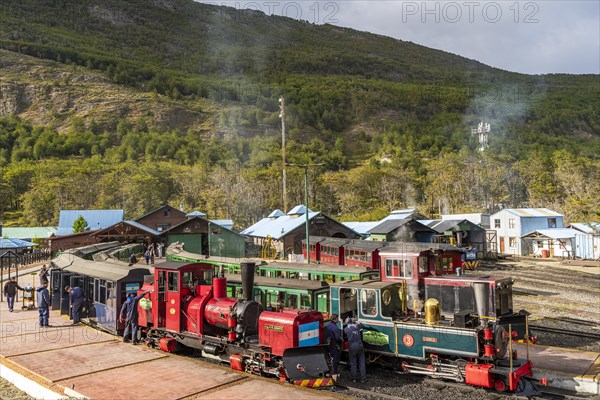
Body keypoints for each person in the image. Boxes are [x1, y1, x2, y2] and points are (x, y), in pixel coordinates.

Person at [344, 318, 366, 383]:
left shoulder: (346, 329)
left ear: (346, 323)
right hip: (360, 346)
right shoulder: (357, 326)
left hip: (352, 347)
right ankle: (363, 379)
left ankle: (354, 378)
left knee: (353, 363)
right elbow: (361, 325)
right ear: (352, 321)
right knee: (362, 362)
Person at [326, 314, 342, 381]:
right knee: (336, 359)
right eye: (337, 318)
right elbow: (337, 338)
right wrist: (341, 340)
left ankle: (330, 370)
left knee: (330, 358)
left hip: (329, 344)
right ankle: (335, 372)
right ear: (335, 319)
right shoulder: (335, 327)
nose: (338, 320)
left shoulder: (328, 325)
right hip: (334, 344)